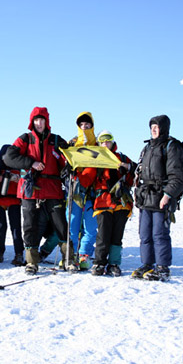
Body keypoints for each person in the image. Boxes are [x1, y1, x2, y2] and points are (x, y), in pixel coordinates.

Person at [3, 106, 77, 275]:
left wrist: (67, 165)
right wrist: (31, 163)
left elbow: (70, 158)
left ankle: (69, 260)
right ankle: (31, 262)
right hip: (30, 191)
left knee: (61, 226)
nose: (39, 123)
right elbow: (8, 157)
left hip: (53, 190)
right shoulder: (25, 139)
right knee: (30, 227)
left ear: (47, 122)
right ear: (32, 122)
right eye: (36, 120)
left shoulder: (57, 140)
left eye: (42, 120)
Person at [132, 115, 183, 281]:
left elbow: (178, 176)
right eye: (152, 127)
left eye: (157, 127)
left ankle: (162, 268)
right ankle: (147, 265)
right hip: (146, 196)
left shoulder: (171, 147)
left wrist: (168, 195)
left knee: (159, 234)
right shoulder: (147, 147)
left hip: (161, 195)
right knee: (144, 234)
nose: (154, 130)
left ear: (164, 128)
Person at [83, 130, 136, 276]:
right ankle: (99, 263)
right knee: (103, 234)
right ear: (99, 143)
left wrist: (127, 168)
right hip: (103, 202)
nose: (105, 144)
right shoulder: (96, 159)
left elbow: (134, 175)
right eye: (102, 141)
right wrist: (83, 168)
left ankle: (114, 263)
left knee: (117, 235)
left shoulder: (122, 158)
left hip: (121, 201)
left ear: (112, 142)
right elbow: (86, 180)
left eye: (108, 140)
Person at [67, 112, 99, 270]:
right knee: (72, 224)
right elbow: (63, 162)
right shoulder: (72, 143)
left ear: (92, 126)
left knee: (90, 226)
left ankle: (84, 255)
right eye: (82, 125)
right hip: (74, 191)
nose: (84, 127)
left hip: (92, 193)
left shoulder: (98, 145)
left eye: (87, 125)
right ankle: (70, 255)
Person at [0, 144, 24, 266]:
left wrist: (18, 179)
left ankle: (17, 253)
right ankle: (0, 252)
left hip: (12, 201)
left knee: (15, 228)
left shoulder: (19, 168)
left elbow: (25, 183)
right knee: (1, 227)